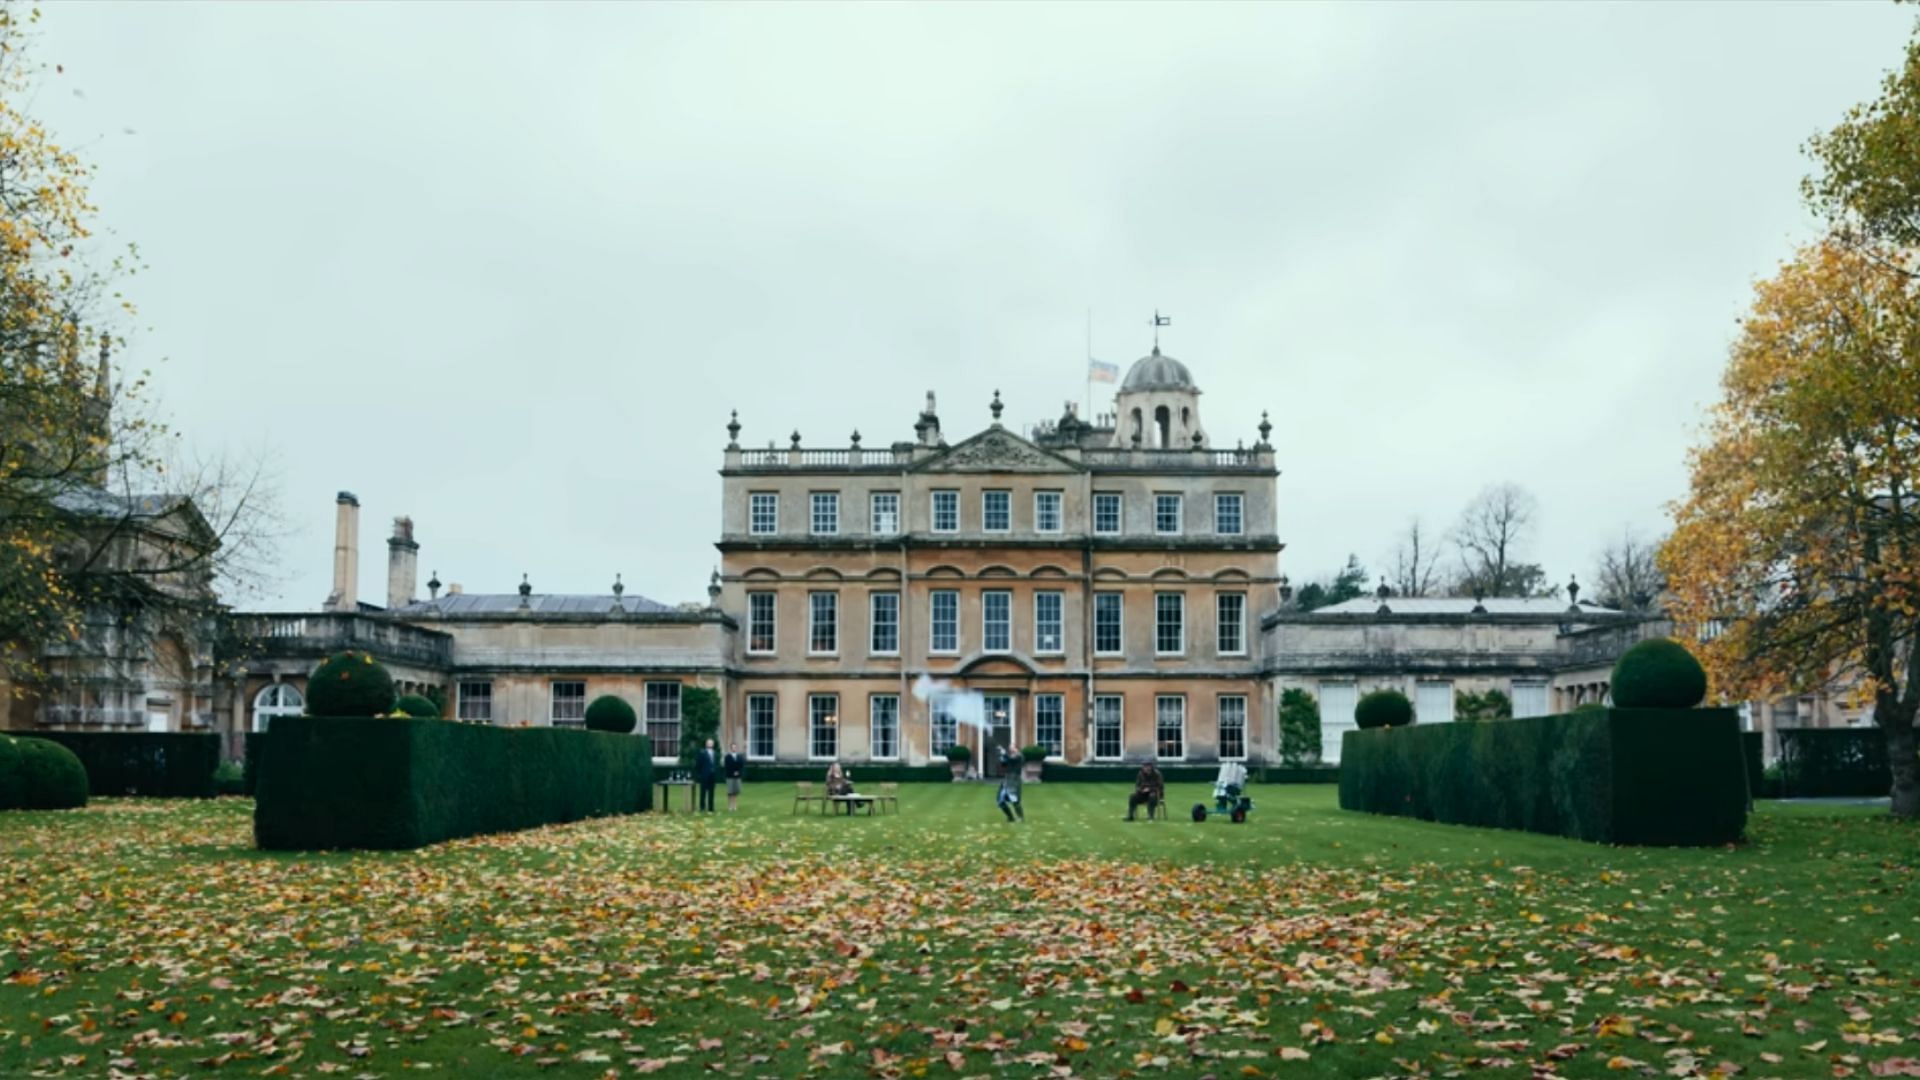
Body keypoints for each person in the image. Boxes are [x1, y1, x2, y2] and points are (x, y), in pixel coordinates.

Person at [996, 744, 1025, 823]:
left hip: (1014, 780)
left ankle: (1021, 818)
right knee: (1000, 801)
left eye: (1013, 747)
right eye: (1010, 748)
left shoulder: (1019, 756)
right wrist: (1002, 757)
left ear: (1017, 748)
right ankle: (1010, 817)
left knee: (1014, 799)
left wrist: (1004, 753)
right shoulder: (1011, 756)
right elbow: (1004, 764)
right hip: (1007, 780)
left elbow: (1011, 760)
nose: (1011, 749)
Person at [694, 738, 718, 813]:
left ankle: (711, 807)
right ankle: (702, 807)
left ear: (713, 744)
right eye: (709, 743)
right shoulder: (702, 753)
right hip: (704, 775)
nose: (710, 744)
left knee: (711, 792)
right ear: (706, 744)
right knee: (703, 792)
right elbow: (698, 764)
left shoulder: (715, 753)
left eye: (711, 743)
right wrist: (699, 774)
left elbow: (715, 764)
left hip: (712, 775)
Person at [722, 742, 746, 812]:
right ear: (731, 748)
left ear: (736, 748)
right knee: (730, 792)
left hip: (737, 776)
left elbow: (741, 766)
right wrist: (733, 772)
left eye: (735, 747)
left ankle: (734, 806)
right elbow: (727, 767)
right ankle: (729, 806)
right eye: (732, 747)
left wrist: (738, 772)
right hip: (730, 776)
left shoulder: (739, 757)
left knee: (735, 792)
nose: (734, 748)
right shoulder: (727, 757)